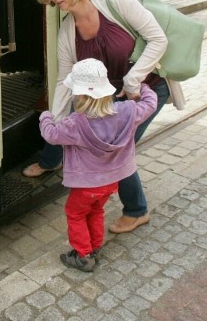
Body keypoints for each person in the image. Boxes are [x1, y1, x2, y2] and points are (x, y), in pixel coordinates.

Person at [22, 0, 185, 234]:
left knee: (117, 148)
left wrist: (134, 80)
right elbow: (64, 81)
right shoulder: (66, 32)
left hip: (145, 89)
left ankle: (136, 211)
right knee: (72, 121)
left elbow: (159, 39)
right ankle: (51, 159)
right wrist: (56, 120)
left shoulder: (116, 1)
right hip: (107, 95)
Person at [40, 59, 157, 272]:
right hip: (112, 182)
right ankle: (94, 248)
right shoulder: (127, 111)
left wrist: (46, 117)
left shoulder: (74, 123)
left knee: (75, 214)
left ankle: (83, 255)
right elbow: (150, 104)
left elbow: (51, 135)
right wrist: (143, 88)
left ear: (79, 94)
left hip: (86, 186)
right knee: (96, 212)